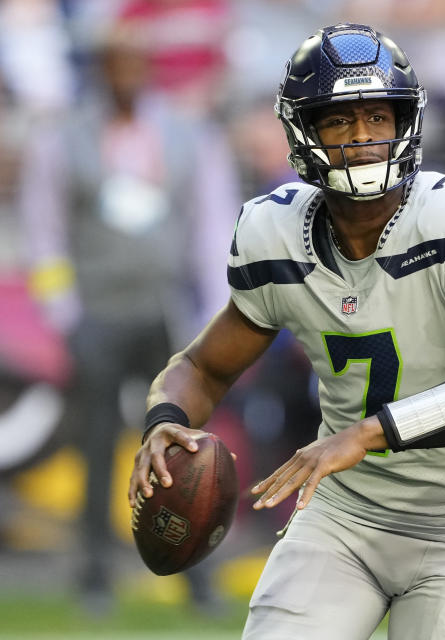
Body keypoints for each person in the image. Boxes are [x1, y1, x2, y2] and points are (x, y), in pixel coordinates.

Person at [127, 23, 445, 640]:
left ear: (406, 122)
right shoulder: (273, 232)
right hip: (348, 514)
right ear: (303, 131)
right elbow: (204, 366)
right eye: (339, 120)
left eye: (378, 118)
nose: (362, 138)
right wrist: (164, 421)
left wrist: (367, 434)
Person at [19, 24, 239, 607]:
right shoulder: (63, 138)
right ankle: (95, 572)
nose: (125, 76)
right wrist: (63, 313)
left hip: (166, 309)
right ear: (98, 70)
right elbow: (45, 232)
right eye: (114, 65)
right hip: (96, 310)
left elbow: (212, 226)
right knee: (95, 444)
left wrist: (213, 311)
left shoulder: (188, 135)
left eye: (135, 64)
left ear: (150, 70)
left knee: (186, 443)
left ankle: (195, 572)